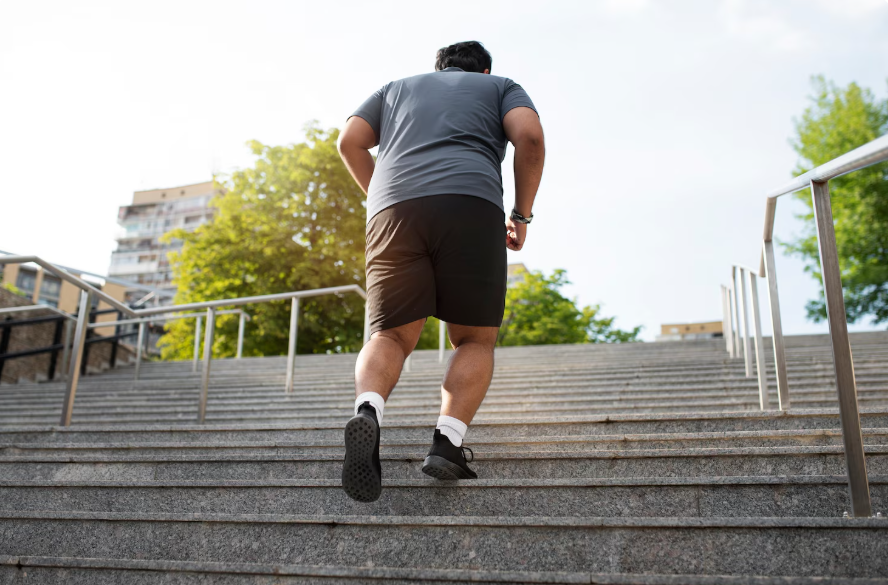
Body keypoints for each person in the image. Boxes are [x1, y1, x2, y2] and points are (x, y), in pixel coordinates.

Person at [337, 40, 545, 502]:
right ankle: (447, 443)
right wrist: (521, 215)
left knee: (388, 335)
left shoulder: (394, 89)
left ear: (438, 68)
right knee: (474, 338)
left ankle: (368, 412)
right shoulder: (500, 88)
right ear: (485, 70)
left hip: (394, 212)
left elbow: (349, 141)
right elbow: (529, 137)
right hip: (470, 206)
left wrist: (382, 195)